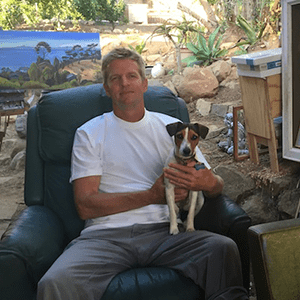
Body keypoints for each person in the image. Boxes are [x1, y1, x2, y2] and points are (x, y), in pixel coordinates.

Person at [37, 48, 249, 300]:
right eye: (115, 79)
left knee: (223, 249)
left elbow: (214, 185)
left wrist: (209, 181)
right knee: (54, 282)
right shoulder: (90, 133)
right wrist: (152, 195)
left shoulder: (173, 129)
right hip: (105, 238)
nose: (124, 83)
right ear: (106, 88)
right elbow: (85, 205)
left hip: (166, 232)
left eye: (131, 76)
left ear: (145, 83)